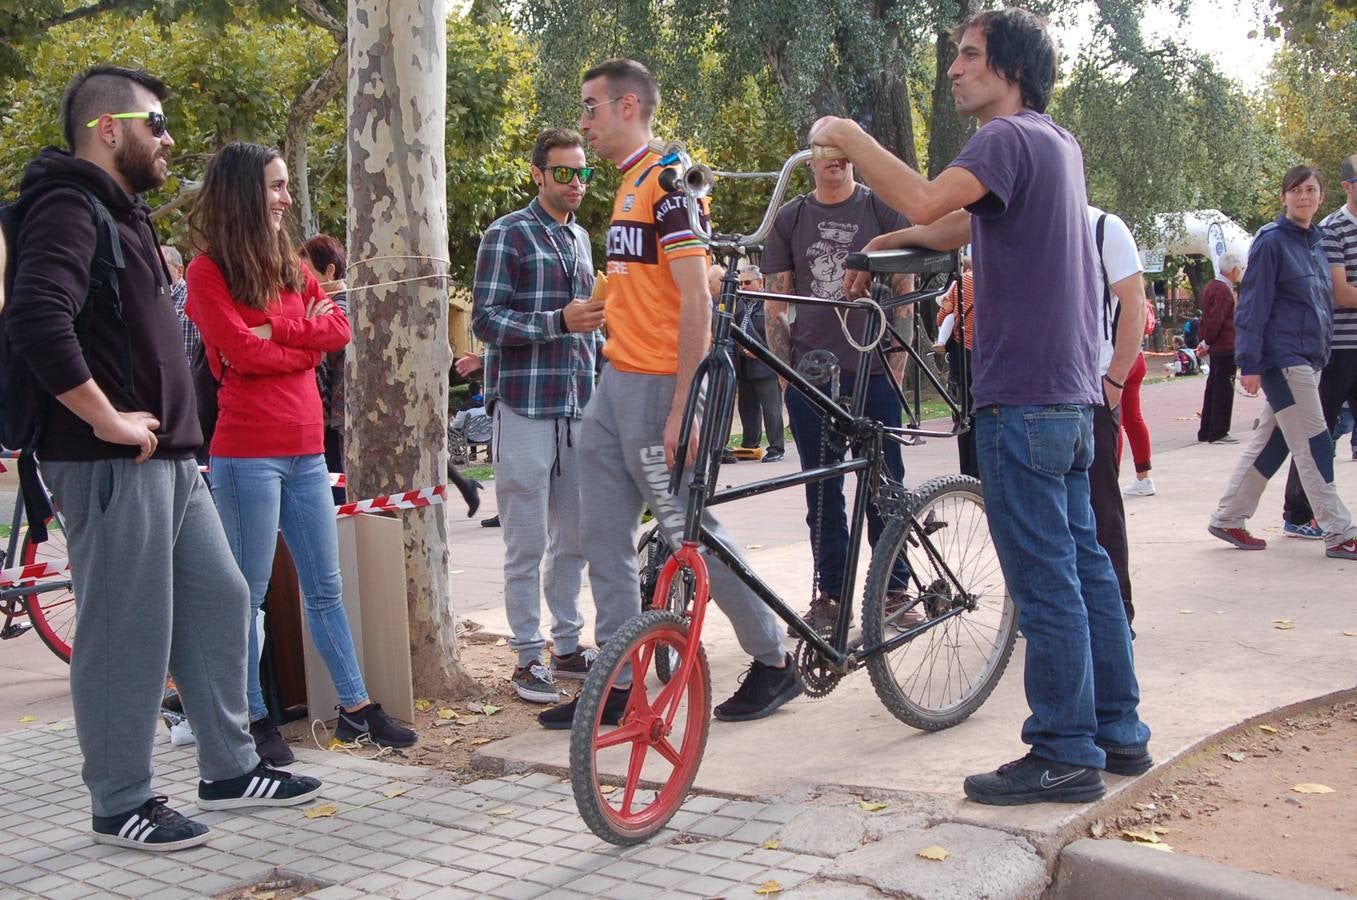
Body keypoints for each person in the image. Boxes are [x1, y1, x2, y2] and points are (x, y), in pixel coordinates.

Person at [815, 7, 1151, 804]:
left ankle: (1063, 749)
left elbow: (930, 202)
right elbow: (962, 224)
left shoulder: (1001, 139)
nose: (954, 69)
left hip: (1022, 398)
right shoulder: (1054, 142)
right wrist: (874, 252)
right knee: (1085, 569)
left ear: (1008, 70)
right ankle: (1116, 734)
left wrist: (851, 138)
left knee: (1045, 584)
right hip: (1068, 399)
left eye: (968, 56)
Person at [6, 65, 321, 851]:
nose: (168, 136)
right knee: (125, 632)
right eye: (155, 121)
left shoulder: (122, 212)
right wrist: (107, 419)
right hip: (113, 462)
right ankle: (120, 801)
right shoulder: (68, 207)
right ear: (107, 129)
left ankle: (228, 766)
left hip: (171, 461)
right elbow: (37, 319)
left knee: (217, 599)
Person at [537, 58, 798, 729]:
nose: (584, 122)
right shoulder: (627, 184)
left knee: (688, 531)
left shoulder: (670, 177)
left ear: (628, 107)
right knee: (603, 538)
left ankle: (773, 660)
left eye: (591, 106)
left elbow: (693, 300)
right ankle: (619, 681)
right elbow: (638, 280)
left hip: (658, 389)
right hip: (614, 383)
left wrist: (685, 405)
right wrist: (595, 303)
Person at [185, 141, 417, 765]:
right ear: (243, 193)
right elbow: (239, 352)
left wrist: (282, 331)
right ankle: (254, 718)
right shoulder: (206, 273)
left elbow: (335, 331)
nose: (287, 197)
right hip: (246, 455)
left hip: (307, 451)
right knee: (248, 594)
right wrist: (295, 340)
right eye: (276, 186)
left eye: (286, 185)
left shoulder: (293, 265)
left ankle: (356, 708)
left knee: (325, 589)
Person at [471, 127, 603, 705]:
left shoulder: (581, 238)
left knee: (573, 539)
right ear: (538, 175)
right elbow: (486, 322)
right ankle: (527, 658)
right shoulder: (507, 233)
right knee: (524, 543)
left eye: (583, 172)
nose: (576, 183)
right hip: (523, 407)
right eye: (564, 173)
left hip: (578, 407)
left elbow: (591, 328)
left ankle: (567, 646)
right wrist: (558, 321)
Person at [762, 151, 912, 631]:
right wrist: (787, 378)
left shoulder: (881, 209)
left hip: (873, 374)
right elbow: (775, 302)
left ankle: (894, 590)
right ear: (809, 160)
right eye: (823, 150)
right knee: (822, 493)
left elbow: (905, 289)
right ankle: (830, 595)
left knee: (885, 487)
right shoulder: (791, 218)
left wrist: (896, 366)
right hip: (812, 376)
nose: (835, 159)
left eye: (842, 148)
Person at [1207, 164, 1357, 560]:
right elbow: (1253, 306)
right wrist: (1250, 364)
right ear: (1284, 197)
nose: (1304, 197)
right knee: (1315, 443)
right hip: (1283, 360)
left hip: (1307, 358)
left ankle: (1228, 517)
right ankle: (1339, 531)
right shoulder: (1272, 242)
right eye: (1296, 190)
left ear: (1321, 196)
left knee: (1273, 444)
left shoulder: (1314, 241)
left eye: (1310, 190)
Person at [1279, 153, 1357, 535]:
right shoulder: (1332, 229)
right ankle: (1297, 513)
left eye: (1312, 189)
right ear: (1346, 187)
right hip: (1338, 349)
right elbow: (1340, 293)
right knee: (1317, 432)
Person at [1085, 206, 1148, 629]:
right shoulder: (1012, 220)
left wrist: (1116, 378)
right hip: (1030, 393)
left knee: (1101, 505)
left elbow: (1134, 302)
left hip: (1092, 389)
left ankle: (1116, 611)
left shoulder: (1104, 227)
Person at [299, 234, 348, 504]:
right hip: (327, 419)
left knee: (340, 501)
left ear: (329, 270)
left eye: (306, 272)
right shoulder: (320, 308)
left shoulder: (342, 308)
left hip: (341, 421)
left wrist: (307, 328)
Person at [734, 264, 785, 463]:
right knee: (747, 407)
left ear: (760, 282)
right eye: (741, 283)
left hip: (765, 363)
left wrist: (761, 351)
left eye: (747, 283)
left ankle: (776, 447)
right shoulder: (739, 304)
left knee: (771, 408)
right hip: (744, 363)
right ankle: (750, 445)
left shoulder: (769, 303)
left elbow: (779, 334)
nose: (743, 287)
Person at [1197, 251, 1244, 444]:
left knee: (1213, 387)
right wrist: (1207, 341)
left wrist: (1205, 341)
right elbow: (1216, 319)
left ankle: (1207, 430)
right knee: (1224, 388)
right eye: (1239, 269)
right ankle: (1218, 431)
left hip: (1216, 345)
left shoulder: (1211, 286)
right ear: (1233, 270)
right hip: (1224, 344)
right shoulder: (1223, 290)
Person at [937, 251, 977, 476]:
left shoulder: (960, 283)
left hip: (963, 356)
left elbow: (943, 317)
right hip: (988, 354)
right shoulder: (997, 277)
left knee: (965, 415)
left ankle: (968, 472)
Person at [1119, 342, 1155, 496]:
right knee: (1133, 419)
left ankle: (1110, 479)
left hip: (1116, 359)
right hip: (1136, 356)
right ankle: (1143, 477)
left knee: (1113, 422)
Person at [161, 243, 199, 363]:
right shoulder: (152, 300)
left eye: (162, 267)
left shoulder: (193, 298)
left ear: (180, 271)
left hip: (190, 377)